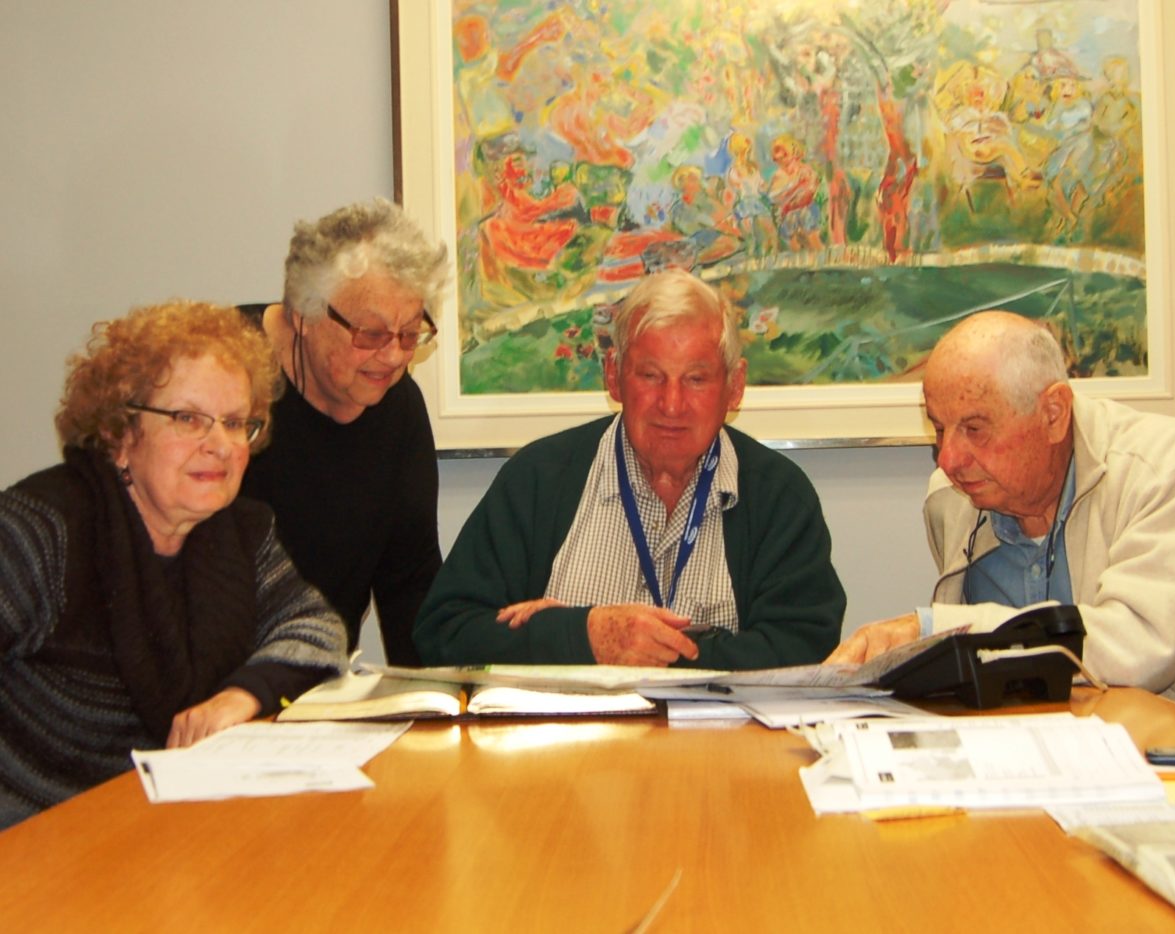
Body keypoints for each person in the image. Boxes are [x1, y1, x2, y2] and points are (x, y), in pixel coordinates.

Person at [0, 301, 346, 828]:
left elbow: (316, 629)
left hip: (165, 835)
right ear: (119, 433)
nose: (221, 445)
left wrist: (240, 696)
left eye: (236, 423)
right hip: (34, 842)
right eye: (188, 418)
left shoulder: (242, 533)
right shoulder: (41, 530)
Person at [414, 267, 845, 669]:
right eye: (650, 376)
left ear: (734, 387)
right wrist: (583, 634)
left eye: (696, 379)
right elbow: (442, 633)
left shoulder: (779, 495)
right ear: (614, 377)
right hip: (565, 745)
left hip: (720, 746)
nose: (671, 404)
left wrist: (636, 649)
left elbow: (806, 651)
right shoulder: (538, 479)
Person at [826, 311, 1175, 708]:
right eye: (939, 429)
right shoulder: (951, 499)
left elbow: (1139, 649)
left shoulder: (1169, 471)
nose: (948, 460)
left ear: (1053, 414)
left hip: (1164, 752)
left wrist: (942, 631)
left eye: (974, 429)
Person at [239, 199, 449, 664]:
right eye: (370, 333)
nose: (394, 357)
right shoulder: (220, 382)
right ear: (303, 315)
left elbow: (410, 583)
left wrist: (438, 704)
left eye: (411, 333)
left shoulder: (398, 408)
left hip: (318, 689)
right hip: (205, 691)